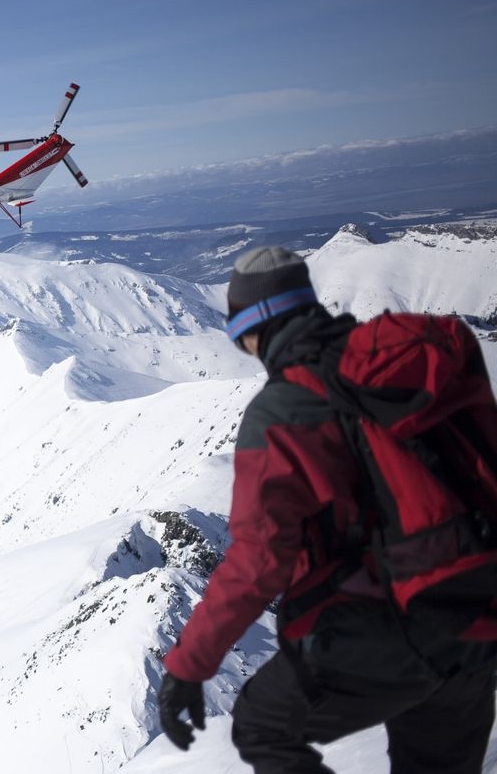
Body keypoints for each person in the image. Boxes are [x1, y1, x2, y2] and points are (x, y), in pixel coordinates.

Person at [157, 245, 497, 773]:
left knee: (262, 725)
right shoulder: (428, 351)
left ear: (254, 328)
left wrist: (188, 666)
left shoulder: (283, 412)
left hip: (396, 627)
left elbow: (258, 563)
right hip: (481, 615)